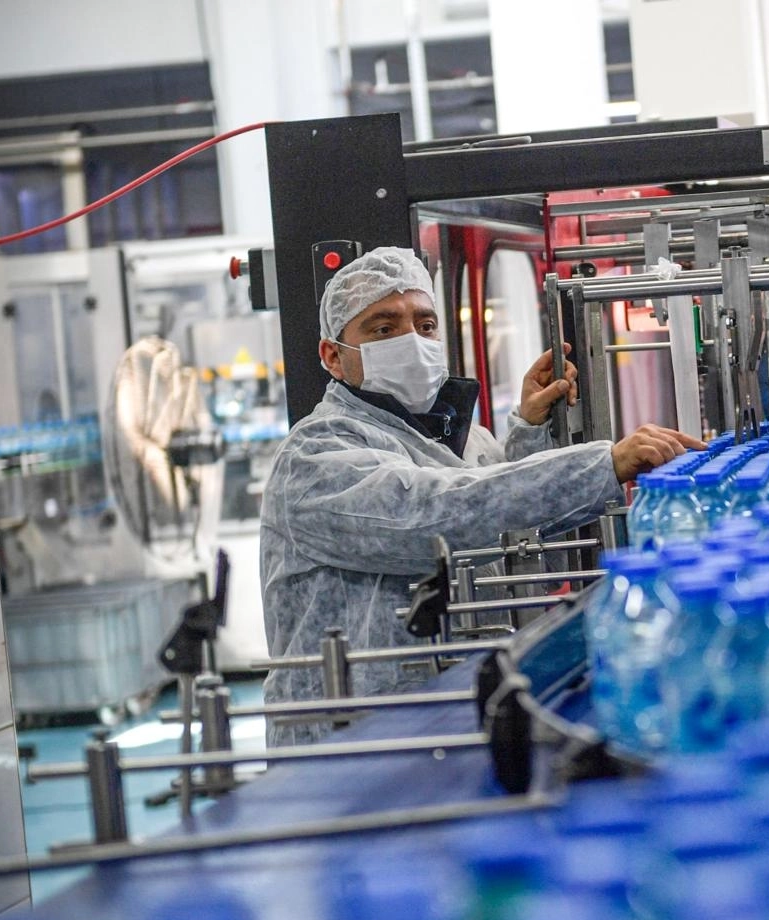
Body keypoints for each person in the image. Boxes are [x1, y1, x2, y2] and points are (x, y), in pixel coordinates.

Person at [260, 246, 701, 744]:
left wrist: (530, 433)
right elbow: (435, 515)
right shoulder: (314, 456)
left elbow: (515, 539)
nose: (411, 340)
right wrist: (605, 464)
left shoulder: (462, 438)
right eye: (383, 329)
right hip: (350, 741)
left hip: (461, 713)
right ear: (333, 356)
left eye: (425, 325)